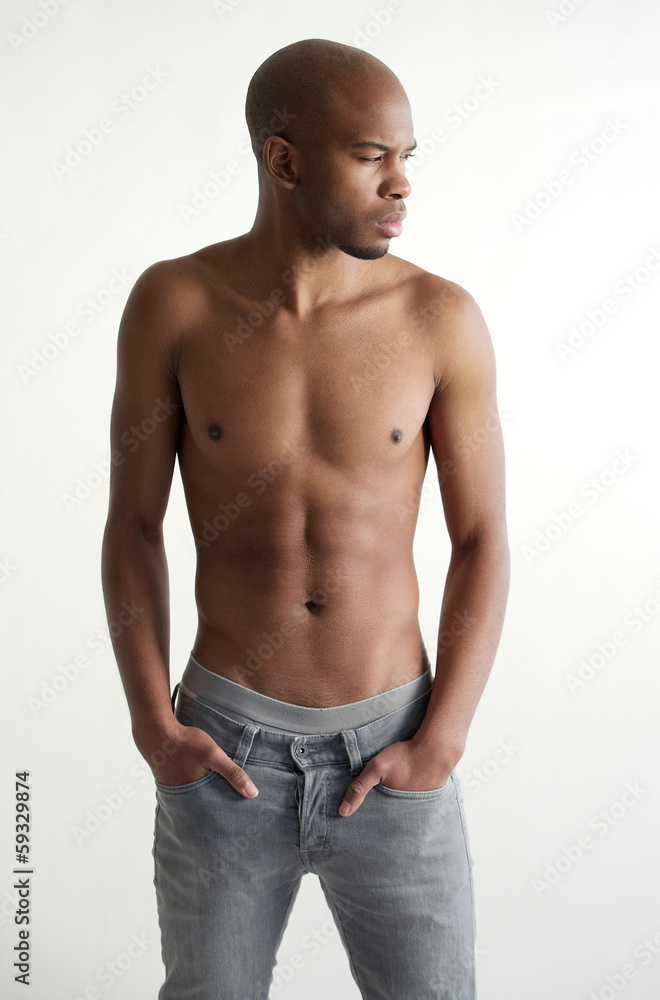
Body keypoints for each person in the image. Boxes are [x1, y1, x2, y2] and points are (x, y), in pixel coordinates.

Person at [101, 36, 509, 1000]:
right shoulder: (177, 305)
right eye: (372, 156)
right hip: (222, 753)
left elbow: (483, 538)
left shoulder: (439, 318)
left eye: (409, 158)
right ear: (283, 160)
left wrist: (442, 738)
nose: (400, 184)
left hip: (395, 742)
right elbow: (131, 527)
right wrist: (152, 723)